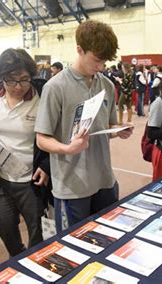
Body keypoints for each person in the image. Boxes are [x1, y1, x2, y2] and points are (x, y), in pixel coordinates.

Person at [35, 20, 133, 232]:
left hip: (105, 180)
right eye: (96, 60)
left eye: (105, 62)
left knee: (107, 240)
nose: (100, 67)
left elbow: (106, 125)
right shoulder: (55, 87)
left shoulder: (106, 84)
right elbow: (42, 139)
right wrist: (67, 148)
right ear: (79, 49)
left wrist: (118, 131)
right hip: (72, 186)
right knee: (74, 248)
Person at [0, 48, 49, 257]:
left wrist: (46, 165)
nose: (18, 86)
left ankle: (36, 267)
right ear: (1, 77)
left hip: (32, 181)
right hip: (1, 179)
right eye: (11, 80)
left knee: (38, 234)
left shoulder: (43, 94)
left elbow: (58, 133)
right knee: (5, 228)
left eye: (24, 79)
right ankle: (19, 259)